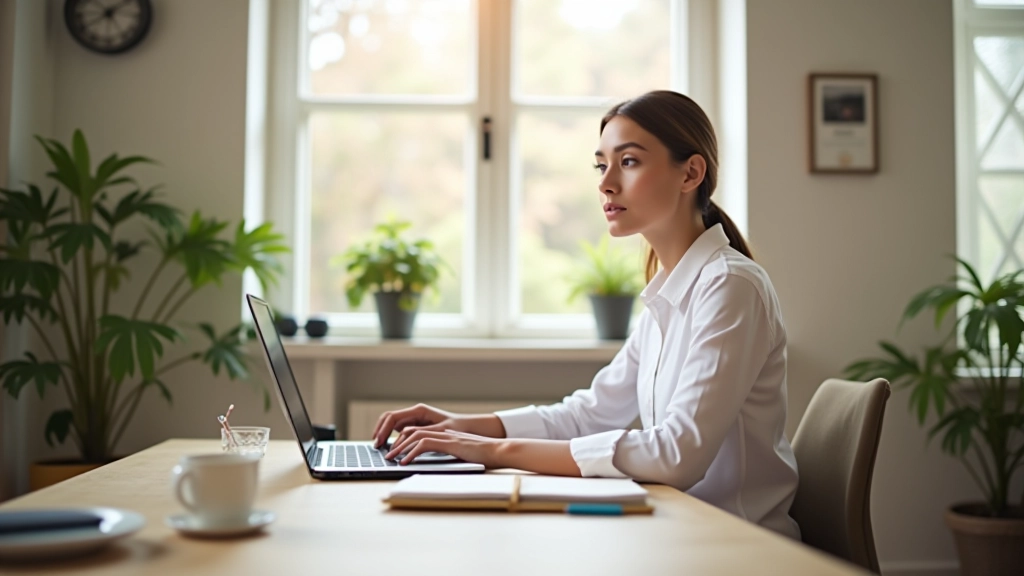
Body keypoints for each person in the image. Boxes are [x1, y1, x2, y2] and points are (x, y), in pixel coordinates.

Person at [372, 90, 800, 539]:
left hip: (738, 547)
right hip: (679, 534)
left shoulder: (730, 286)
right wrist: (461, 426)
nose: (606, 183)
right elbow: (589, 415)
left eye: (629, 162)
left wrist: (496, 450)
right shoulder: (668, 294)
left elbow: (677, 455)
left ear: (691, 173)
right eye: (601, 165)